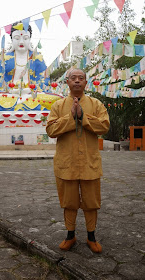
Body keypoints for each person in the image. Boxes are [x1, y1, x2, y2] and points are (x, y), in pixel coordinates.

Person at [46, 69, 110, 253]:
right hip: (67, 163)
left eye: (80, 78)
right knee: (69, 202)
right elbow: (51, 130)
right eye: (73, 78)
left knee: (91, 202)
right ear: (67, 82)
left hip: (90, 163)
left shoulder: (96, 104)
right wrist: (71, 117)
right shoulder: (58, 106)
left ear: (86, 82)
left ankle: (91, 237)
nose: (77, 81)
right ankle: (70, 235)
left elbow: (104, 126)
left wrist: (82, 116)